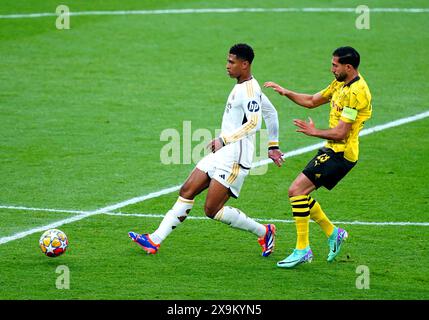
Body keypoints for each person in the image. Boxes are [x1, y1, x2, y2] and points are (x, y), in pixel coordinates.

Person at [129, 43, 284, 256]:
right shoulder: (243, 86)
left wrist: (224, 139)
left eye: (232, 62)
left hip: (235, 158)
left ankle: (264, 232)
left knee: (212, 210)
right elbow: (271, 112)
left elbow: (255, 123)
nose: (227, 66)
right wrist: (273, 146)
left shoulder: (249, 89)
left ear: (245, 64)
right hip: (223, 153)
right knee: (187, 190)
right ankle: (154, 240)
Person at [264, 46, 372, 268]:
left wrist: (314, 132)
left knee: (296, 191)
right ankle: (334, 233)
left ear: (348, 67)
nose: (331, 68)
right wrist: (287, 92)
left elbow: (342, 133)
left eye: (335, 65)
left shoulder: (357, 92)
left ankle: (303, 249)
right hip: (332, 149)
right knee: (299, 194)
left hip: (341, 153)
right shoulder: (341, 83)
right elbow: (313, 100)